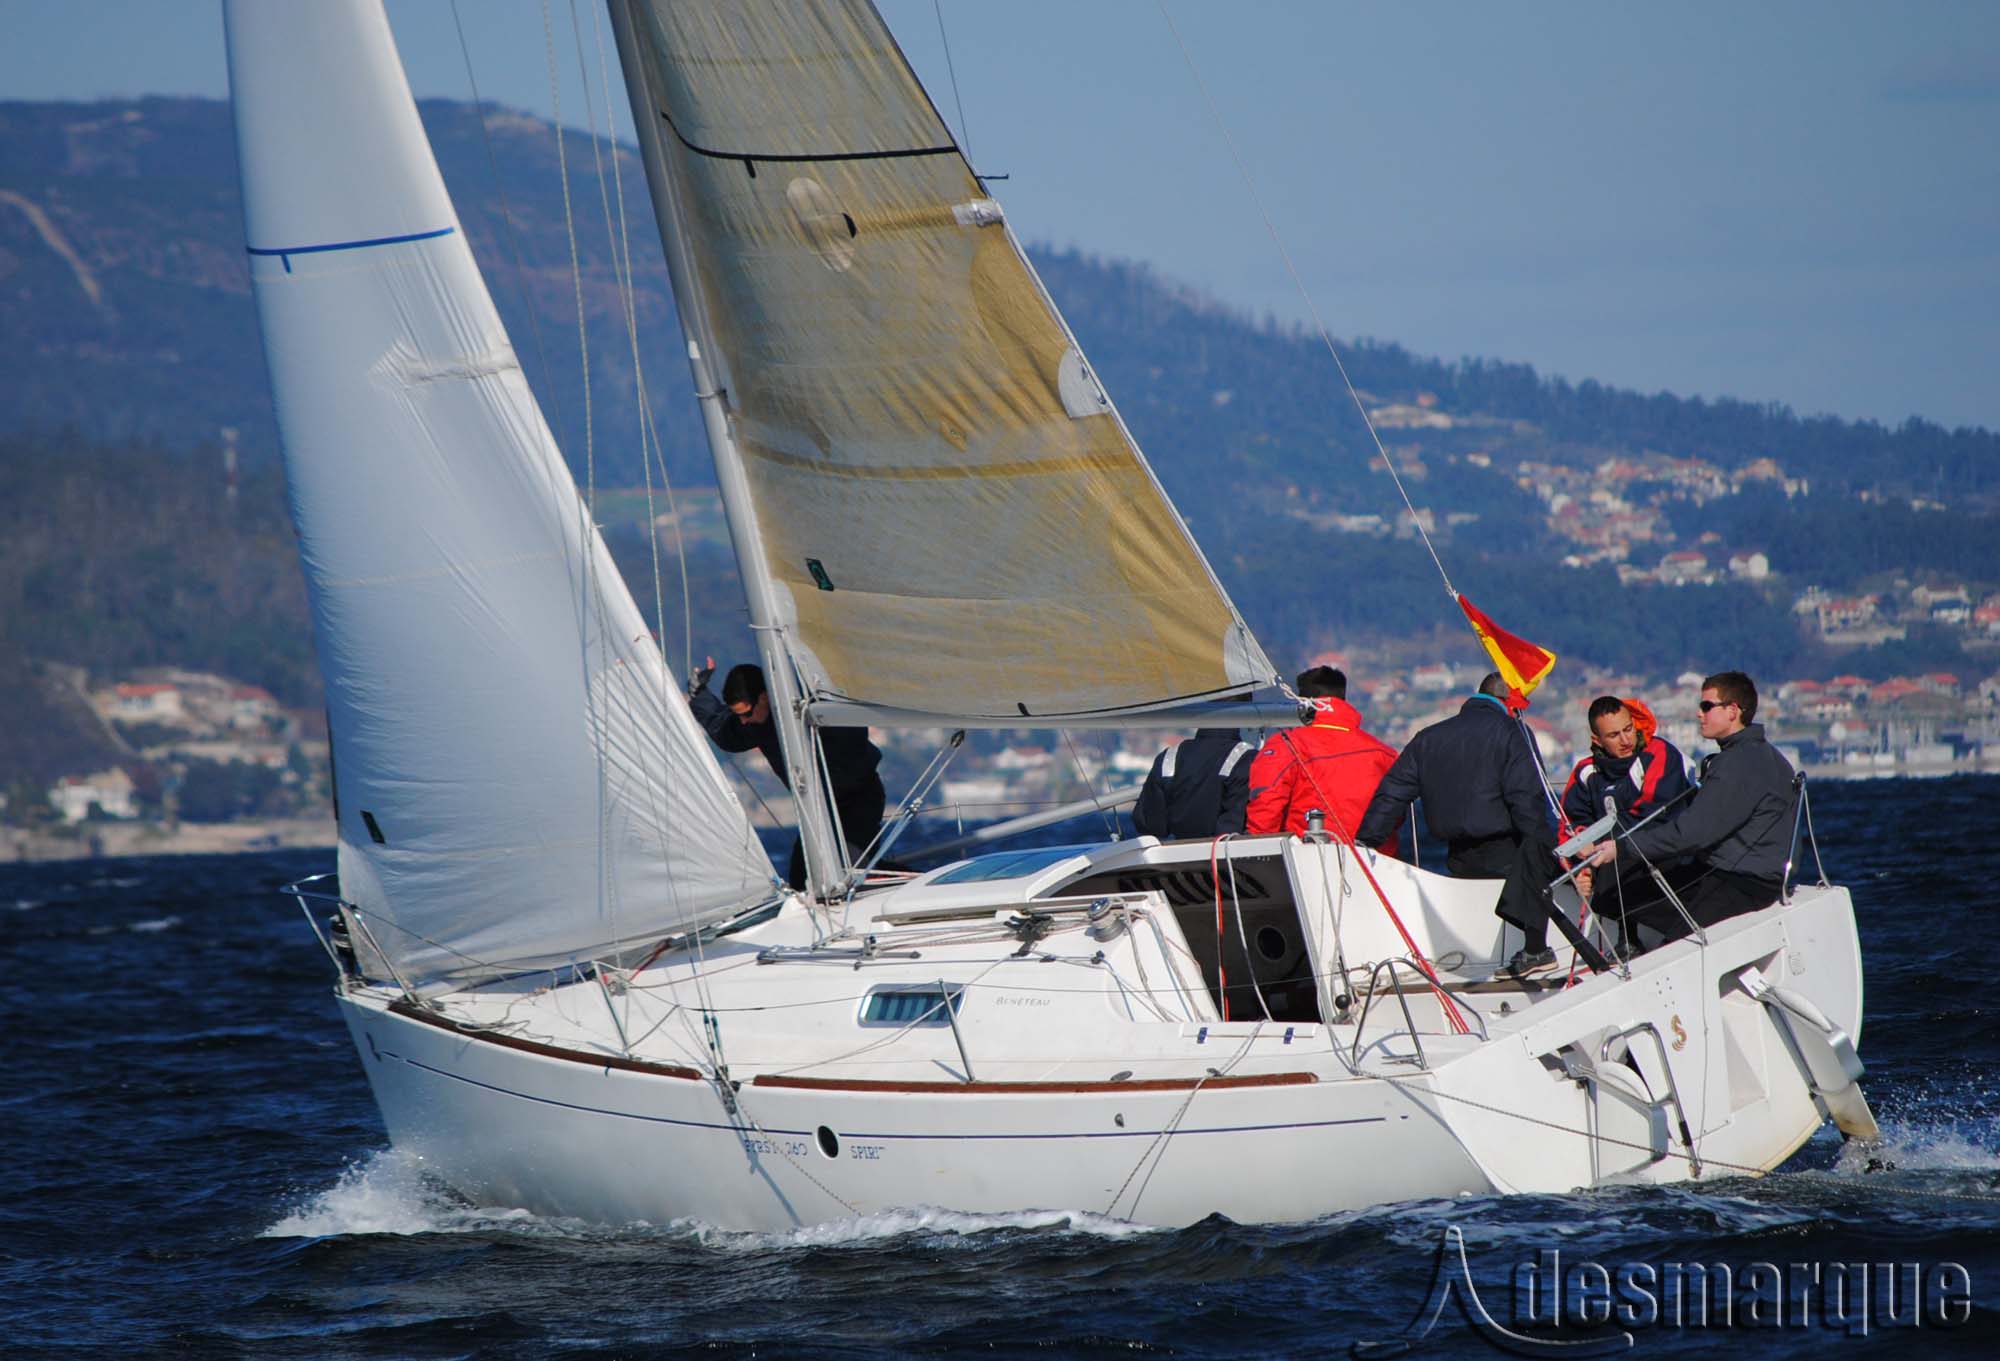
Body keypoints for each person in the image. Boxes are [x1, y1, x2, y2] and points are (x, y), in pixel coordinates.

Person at [1354, 671, 1561, 976]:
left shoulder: (1428, 738)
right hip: (1508, 855)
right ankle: (1536, 951)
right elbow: (1526, 799)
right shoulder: (1513, 731)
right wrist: (1546, 848)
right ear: (1508, 701)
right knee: (1537, 847)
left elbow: (1391, 795)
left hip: (1458, 861)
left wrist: (1364, 843)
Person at [1579, 670, 1796, 946]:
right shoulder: (1757, 754)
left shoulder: (1738, 763)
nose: (1698, 713)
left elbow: (1693, 833)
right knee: (1613, 895)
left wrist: (1621, 847)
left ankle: (1663, 941)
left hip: (1743, 882)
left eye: (1706, 706)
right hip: (1729, 870)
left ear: (1733, 711)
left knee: (1672, 949)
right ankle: (1636, 941)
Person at [688, 658, 885, 893]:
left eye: (746, 713)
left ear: (764, 697)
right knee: (803, 883)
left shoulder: (810, 708)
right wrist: (699, 695)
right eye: (739, 715)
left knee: (847, 874)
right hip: (816, 811)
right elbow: (724, 732)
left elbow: (851, 726)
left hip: (858, 800)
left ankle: (910, 882)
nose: (744, 721)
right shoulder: (757, 723)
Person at [1245, 666, 1398, 853]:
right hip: (1375, 862)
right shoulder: (1385, 754)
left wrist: (1257, 854)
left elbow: (1266, 808)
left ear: (1303, 702)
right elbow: (1396, 816)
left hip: (1310, 860)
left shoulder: (1287, 745)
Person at [1133, 728, 1254, 840]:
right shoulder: (1248, 757)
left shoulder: (1169, 756)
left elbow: (1150, 824)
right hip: (1224, 851)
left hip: (1175, 850)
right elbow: (1233, 824)